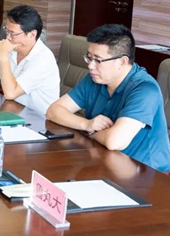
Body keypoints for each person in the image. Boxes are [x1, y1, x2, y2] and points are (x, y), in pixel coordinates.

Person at [47, 24, 170, 172]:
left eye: (98, 60)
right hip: (104, 159)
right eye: (89, 57)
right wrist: (87, 124)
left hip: (147, 172)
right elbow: (53, 111)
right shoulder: (95, 79)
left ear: (122, 62)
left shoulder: (145, 90)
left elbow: (114, 141)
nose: (90, 66)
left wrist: (91, 133)